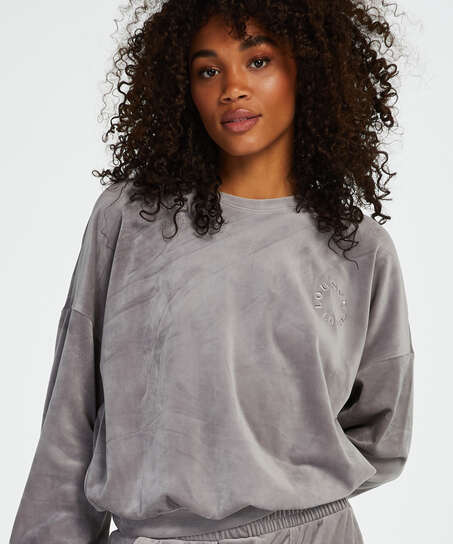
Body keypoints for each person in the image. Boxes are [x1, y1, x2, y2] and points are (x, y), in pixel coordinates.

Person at [9, 1, 415, 543]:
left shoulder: (359, 248)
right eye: (207, 70)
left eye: (258, 61)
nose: (231, 88)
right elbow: (70, 420)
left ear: (309, 69)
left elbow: (383, 434)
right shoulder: (132, 218)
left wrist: (280, 487)